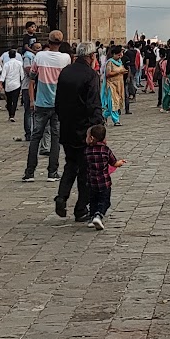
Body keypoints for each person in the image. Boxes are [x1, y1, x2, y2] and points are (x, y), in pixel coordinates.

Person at [53, 43, 103, 224]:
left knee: (70, 164)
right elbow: (93, 104)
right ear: (90, 57)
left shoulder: (65, 72)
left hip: (67, 127)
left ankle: (61, 197)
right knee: (86, 170)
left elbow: (58, 102)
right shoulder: (91, 75)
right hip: (85, 130)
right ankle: (81, 208)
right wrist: (98, 128)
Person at [23, 33, 70, 181]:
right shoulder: (65, 59)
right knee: (56, 138)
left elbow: (32, 77)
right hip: (59, 104)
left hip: (41, 103)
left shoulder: (40, 56)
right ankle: (52, 172)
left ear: (48, 42)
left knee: (36, 137)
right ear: (61, 43)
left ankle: (30, 172)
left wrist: (32, 99)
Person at [82, 123, 123, 230]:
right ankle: (98, 215)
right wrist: (120, 162)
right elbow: (114, 163)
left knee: (93, 200)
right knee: (105, 200)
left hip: (91, 182)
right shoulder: (106, 150)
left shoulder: (87, 151)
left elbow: (84, 164)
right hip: (104, 182)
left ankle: (92, 217)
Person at [0, 46, 25, 125]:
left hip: (8, 84)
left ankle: (10, 113)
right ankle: (12, 115)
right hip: (16, 84)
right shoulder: (19, 63)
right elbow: (22, 74)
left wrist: (0, 83)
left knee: (9, 100)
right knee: (15, 100)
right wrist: (22, 82)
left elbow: (3, 75)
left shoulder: (6, 64)